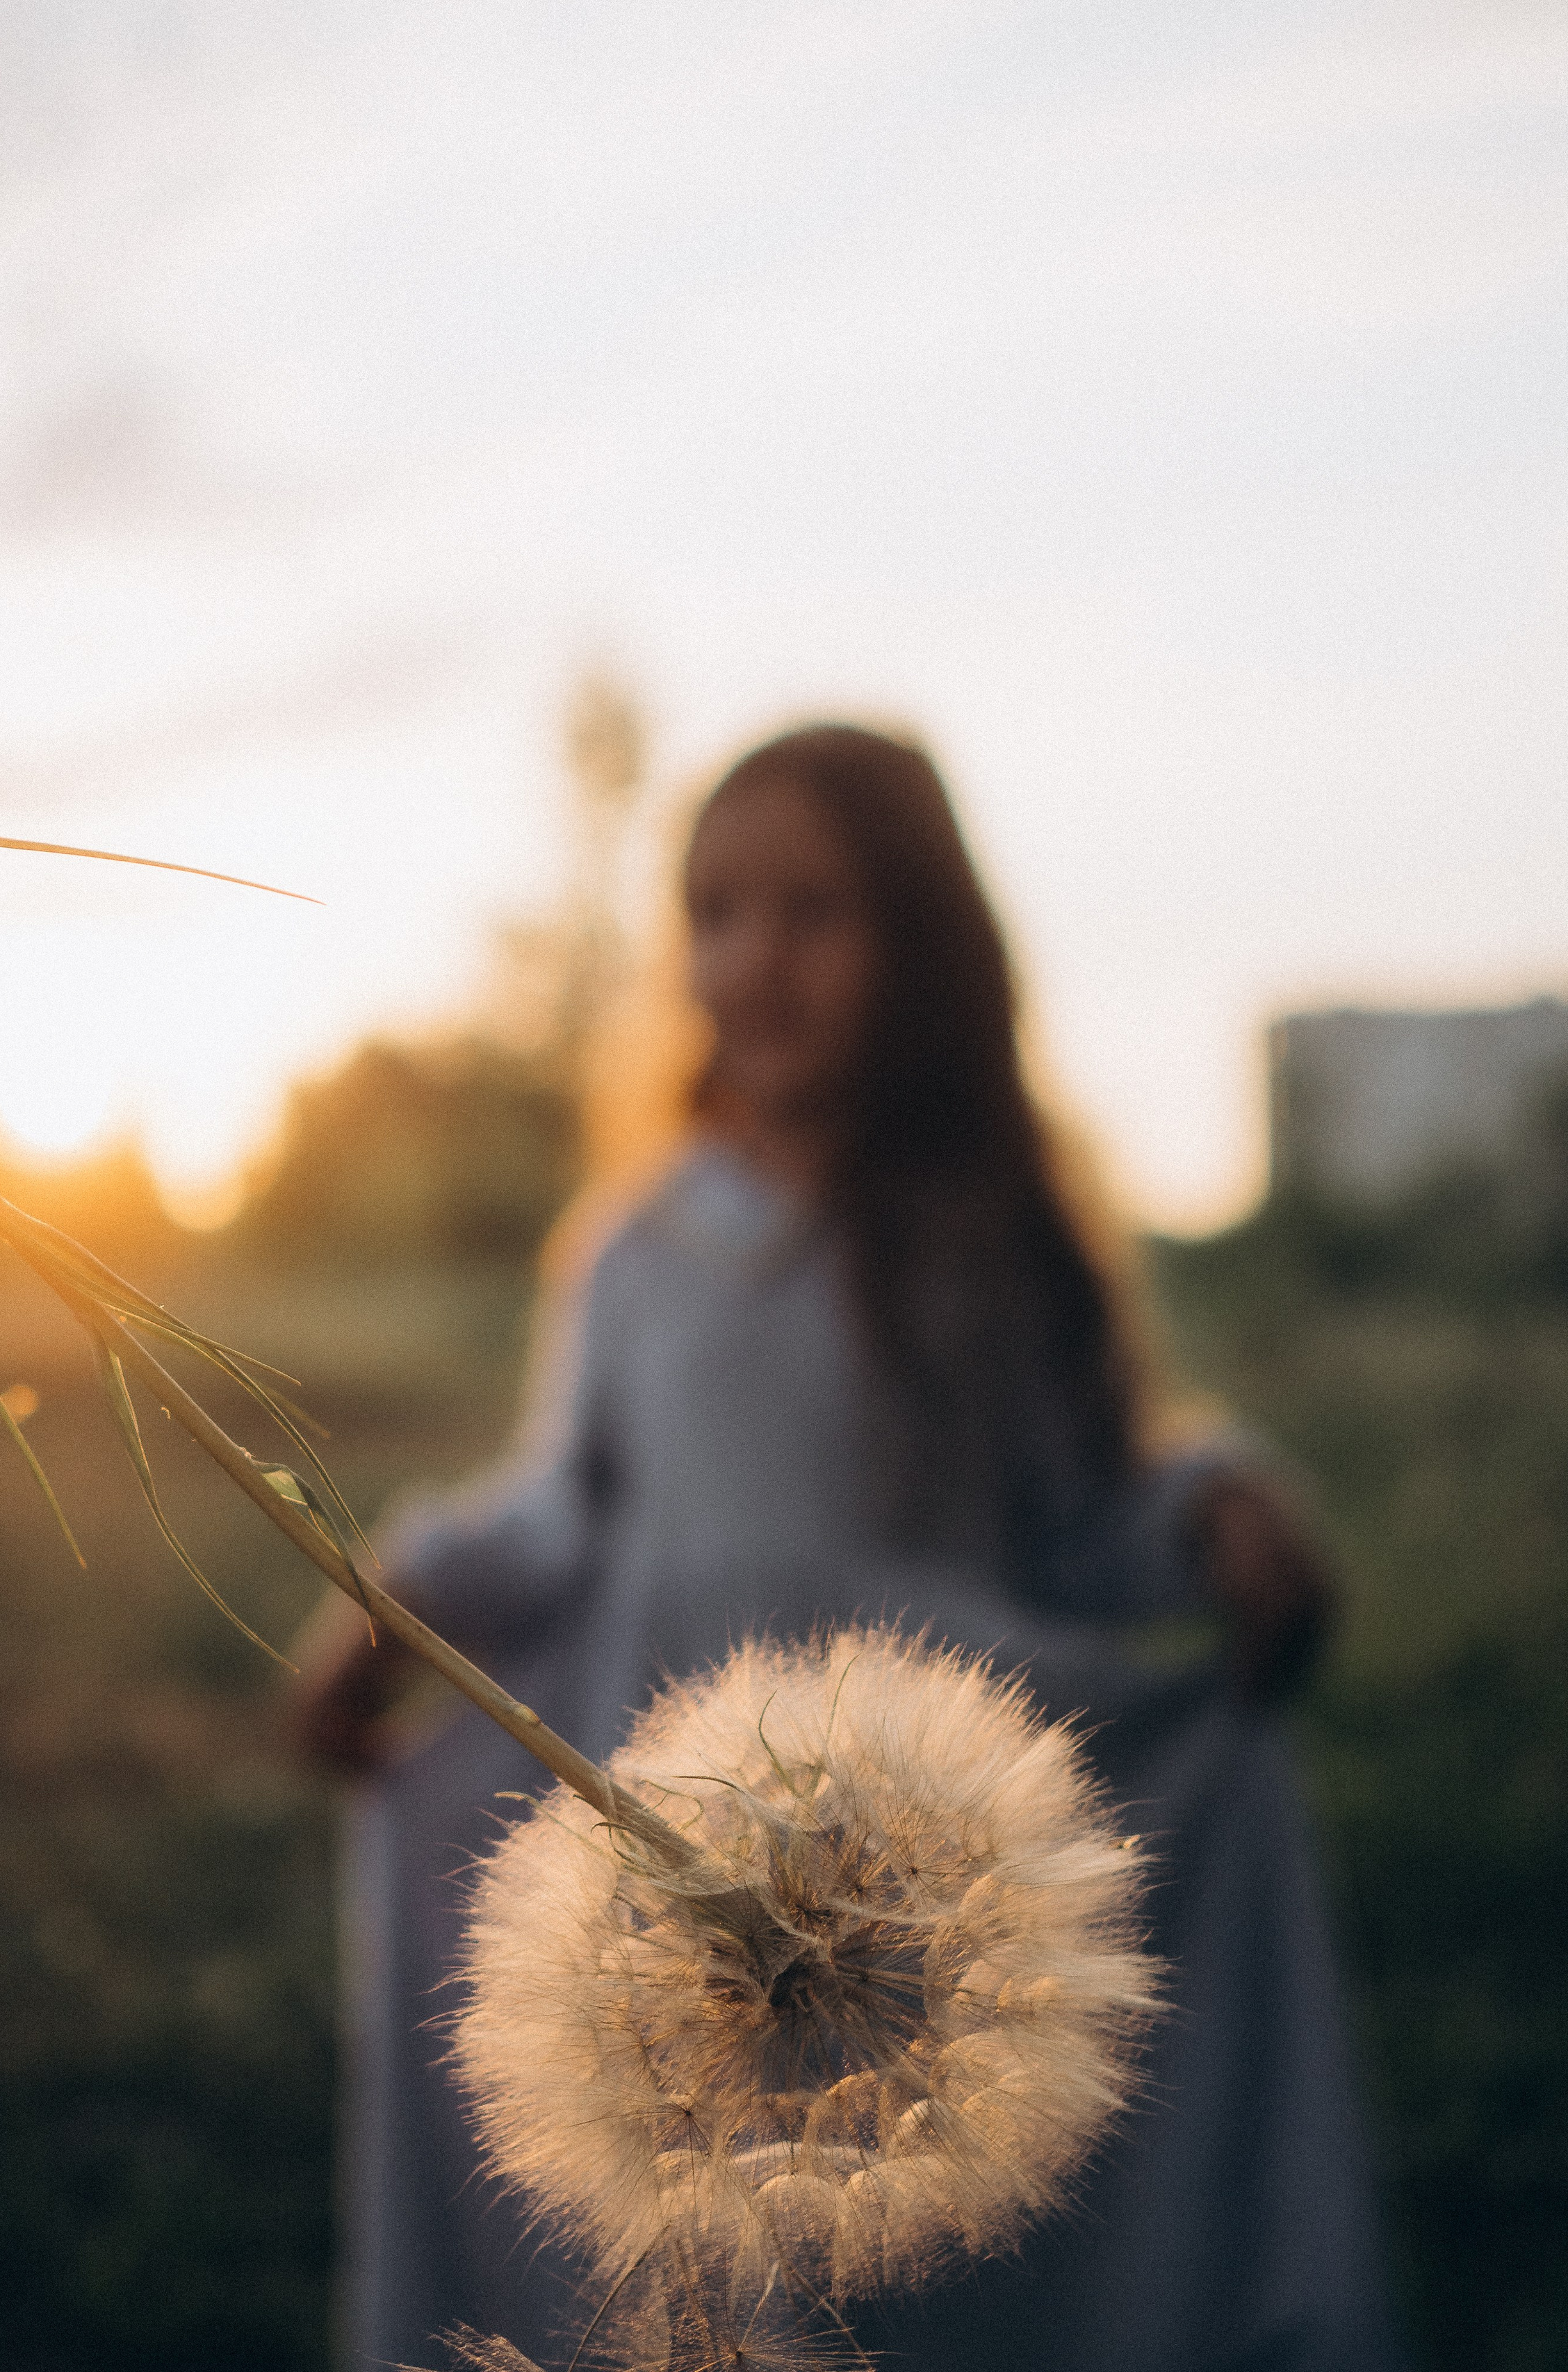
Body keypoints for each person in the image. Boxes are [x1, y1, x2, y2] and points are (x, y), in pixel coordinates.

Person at [292, 725, 1405, 2372]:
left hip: (913, 1861)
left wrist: (1210, 1508)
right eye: (714, 913)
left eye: (812, 910)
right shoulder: (637, 1250)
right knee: (703, 2205)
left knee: (889, 2235)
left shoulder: (989, 1239)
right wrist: (401, 1597)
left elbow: (1073, 1525)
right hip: (679, 1830)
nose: (756, 958)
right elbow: (562, 1508)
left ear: (921, 946)